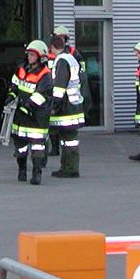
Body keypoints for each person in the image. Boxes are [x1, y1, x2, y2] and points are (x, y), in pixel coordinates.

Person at [7, 40, 52, 185]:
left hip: (37, 116)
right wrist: (11, 96)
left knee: (37, 145)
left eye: (33, 54)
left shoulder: (45, 74)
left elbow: (41, 94)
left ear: (40, 57)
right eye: (29, 54)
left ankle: (37, 174)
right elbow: (15, 84)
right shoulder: (21, 68)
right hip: (20, 115)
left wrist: (28, 106)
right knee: (20, 145)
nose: (30, 57)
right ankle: (21, 171)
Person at [47, 33, 85, 178]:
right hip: (74, 104)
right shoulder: (71, 58)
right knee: (69, 140)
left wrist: (53, 106)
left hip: (66, 107)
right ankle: (67, 167)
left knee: (68, 140)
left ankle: (69, 168)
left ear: (52, 47)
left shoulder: (61, 61)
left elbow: (59, 88)